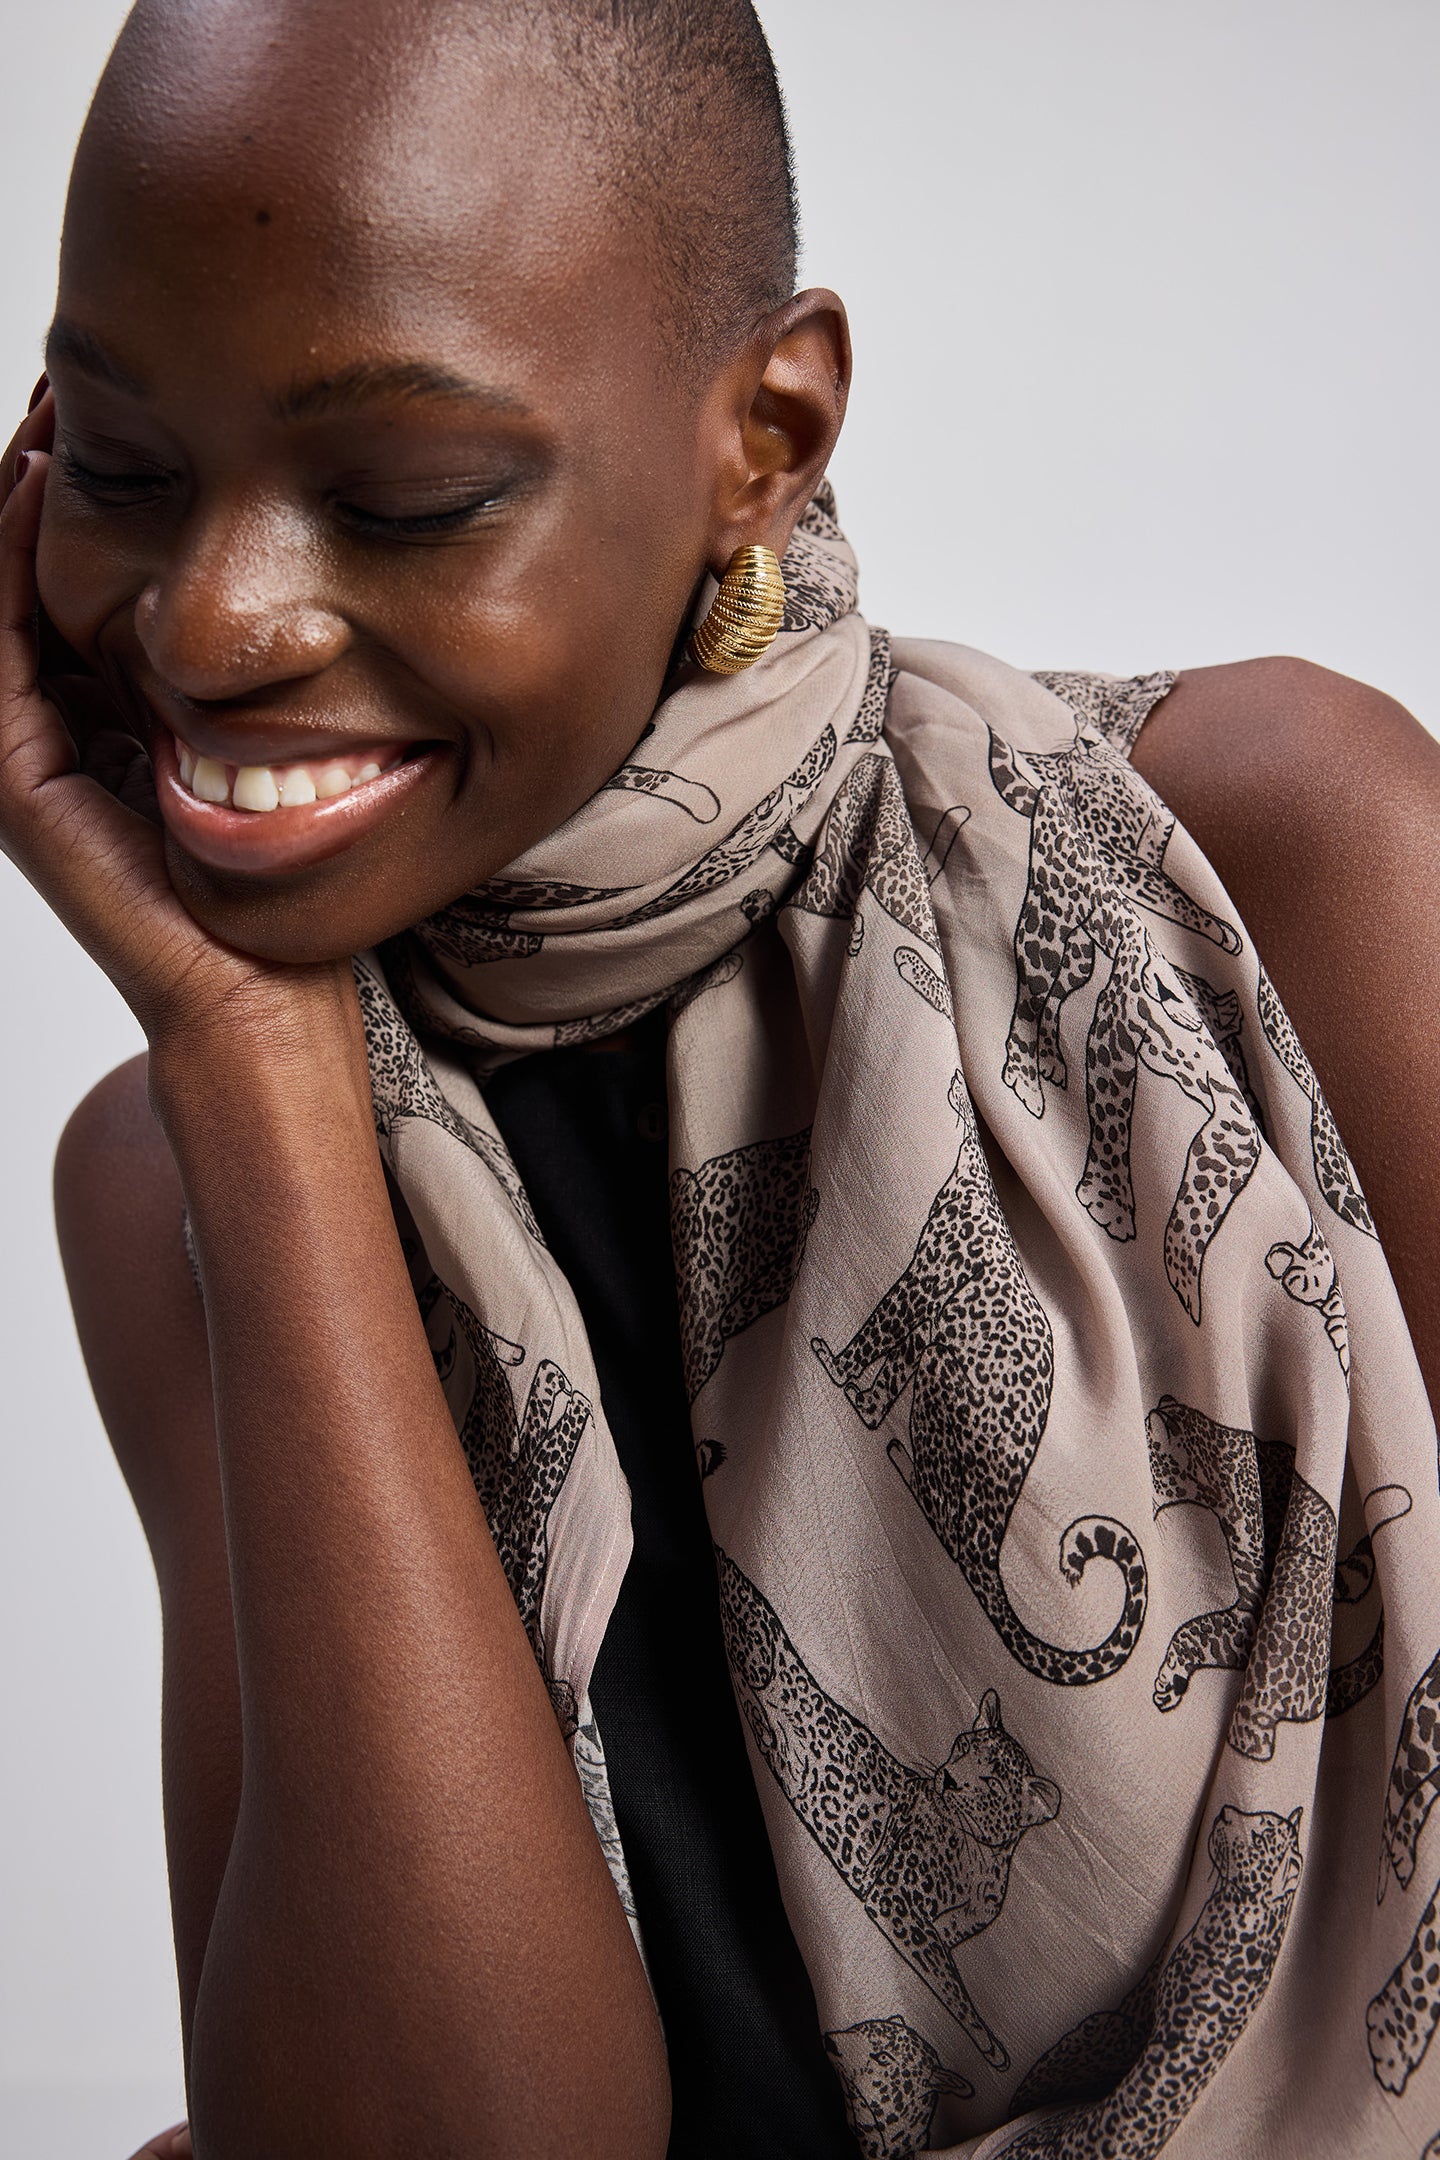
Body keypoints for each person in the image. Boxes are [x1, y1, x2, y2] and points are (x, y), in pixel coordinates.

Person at [1, 0, 1436, 2154]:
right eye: (117, 468)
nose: (214, 624)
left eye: (401, 495)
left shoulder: (1276, 880)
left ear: (767, 434)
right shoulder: (173, 1178)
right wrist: (257, 1065)